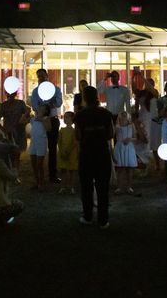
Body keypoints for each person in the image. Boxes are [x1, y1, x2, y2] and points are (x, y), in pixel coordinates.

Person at [74, 86, 114, 229]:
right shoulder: (106, 114)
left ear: (84, 98)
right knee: (103, 188)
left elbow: (78, 135)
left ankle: (88, 216)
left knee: (86, 187)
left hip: (86, 153)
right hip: (102, 153)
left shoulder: (79, 116)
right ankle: (103, 220)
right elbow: (110, 134)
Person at [30, 68, 63, 183]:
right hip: (40, 121)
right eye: (39, 76)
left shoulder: (55, 89)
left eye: (43, 76)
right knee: (38, 147)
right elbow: (34, 106)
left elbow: (59, 102)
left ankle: (52, 175)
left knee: (53, 148)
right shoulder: (35, 92)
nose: (41, 78)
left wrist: (47, 102)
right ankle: (40, 176)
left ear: (47, 76)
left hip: (52, 120)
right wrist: (47, 104)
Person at [0, 91, 29, 176]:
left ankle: (15, 173)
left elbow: (27, 115)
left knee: (16, 154)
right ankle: (12, 173)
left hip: (18, 132)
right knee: (10, 154)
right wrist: (4, 131)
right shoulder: (4, 105)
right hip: (10, 133)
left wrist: (24, 121)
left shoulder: (20, 103)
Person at [132, 70, 160, 170]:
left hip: (152, 119)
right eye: (147, 84)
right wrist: (133, 77)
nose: (148, 85)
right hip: (143, 117)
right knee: (141, 138)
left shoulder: (155, 93)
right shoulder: (142, 93)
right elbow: (134, 89)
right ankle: (142, 161)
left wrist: (142, 76)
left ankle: (154, 163)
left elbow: (152, 89)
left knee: (152, 141)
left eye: (151, 84)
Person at [113, 111, 137, 195]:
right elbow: (112, 135)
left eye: (125, 116)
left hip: (129, 148)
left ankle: (129, 187)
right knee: (120, 168)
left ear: (128, 118)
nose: (123, 118)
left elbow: (135, 137)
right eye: (122, 116)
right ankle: (119, 187)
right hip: (120, 147)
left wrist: (129, 139)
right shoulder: (117, 127)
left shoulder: (131, 126)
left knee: (129, 168)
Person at [29, 104, 51, 190]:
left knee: (39, 164)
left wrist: (41, 119)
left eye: (42, 107)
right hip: (33, 142)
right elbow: (22, 121)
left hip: (41, 142)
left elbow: (49, 128)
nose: (40, 108)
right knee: (33, 164)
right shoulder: (34, 118)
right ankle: (37, 182)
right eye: (40, 107)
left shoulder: (46, 118)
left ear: (46, 111)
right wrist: (27, 113)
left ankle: (41, 183)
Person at [57, 111, 78, 194]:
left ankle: (71, 186)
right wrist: (62, 151)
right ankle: (63, 186)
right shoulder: (62, 130)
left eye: (67, 117)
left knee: (71, 171)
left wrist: (68, 151)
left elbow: (74, 143)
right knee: (63, 171)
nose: (65, 119)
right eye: (64, 117)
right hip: (63, 152)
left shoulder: (74, 131)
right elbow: (59, 142)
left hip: (71, 153)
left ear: (72, 119)